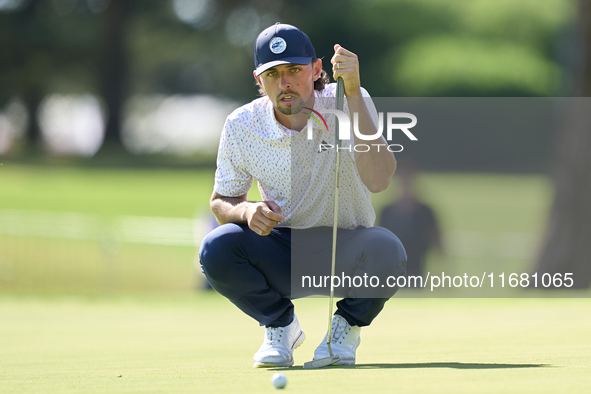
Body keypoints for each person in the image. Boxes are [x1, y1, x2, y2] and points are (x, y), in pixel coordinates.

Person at [199, 23, 406, 368]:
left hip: (348, 249)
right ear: (258, 79)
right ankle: (281, 326)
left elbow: (380, 180)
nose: (285, 82)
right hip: (282, 250)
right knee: (217, 247)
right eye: (273, 74)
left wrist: (354, 92)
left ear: (316, 70)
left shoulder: (348, 100)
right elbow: (221, 201)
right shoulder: (242, 125)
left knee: (388, 250)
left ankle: (344, 329)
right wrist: (248, 211)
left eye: (294, 70)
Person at [379, 162, 442, 284]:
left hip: (417, 270)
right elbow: (379, 242)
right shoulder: (386, 211)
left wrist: (443, 272)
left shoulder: (425, 212)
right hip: (391, 272)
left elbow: (436, 239)